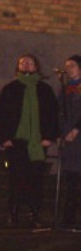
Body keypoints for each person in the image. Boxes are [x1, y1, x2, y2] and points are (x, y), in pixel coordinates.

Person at [0, 54, 58, 228]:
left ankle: (34, 213)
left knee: (36, 179)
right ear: (18, 67)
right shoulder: (10, 89)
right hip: (16, 142)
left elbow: (52, 115)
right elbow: (2, 115)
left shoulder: (45, 89)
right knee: (16, 178)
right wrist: (5, 138)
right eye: (23, 63)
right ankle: (13, 212)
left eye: (30, 62)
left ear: (36, 66)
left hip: (38, 143)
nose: (26, 65)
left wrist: (49, 137)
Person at [60, 55, 81, 226]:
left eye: (72, 65)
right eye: (67, 66)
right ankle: (68, 217)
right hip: (70, 141)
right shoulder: (66, 89)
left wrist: (76, 129)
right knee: (71, 179)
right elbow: (60, 111)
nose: (68, 69)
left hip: (78, 135)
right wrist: (64, 132)